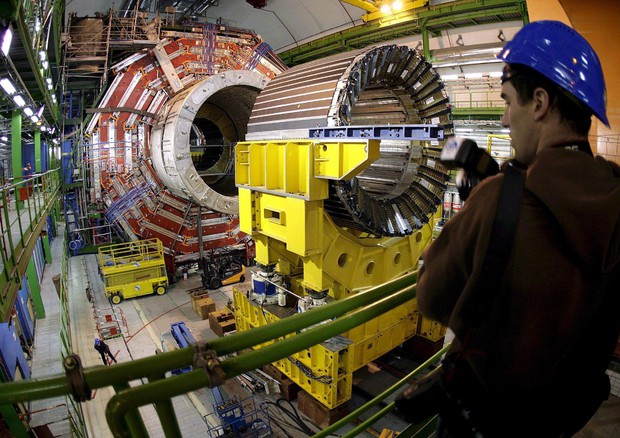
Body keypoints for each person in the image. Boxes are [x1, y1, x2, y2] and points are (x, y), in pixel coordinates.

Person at [414, 21, 620, 437]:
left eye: (508, 101)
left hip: (487, 422)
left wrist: (481, 207)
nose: (505, 118)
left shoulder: (500, 199)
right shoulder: (616, 195)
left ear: (540, 102)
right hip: (564, 418)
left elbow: (431, 296)